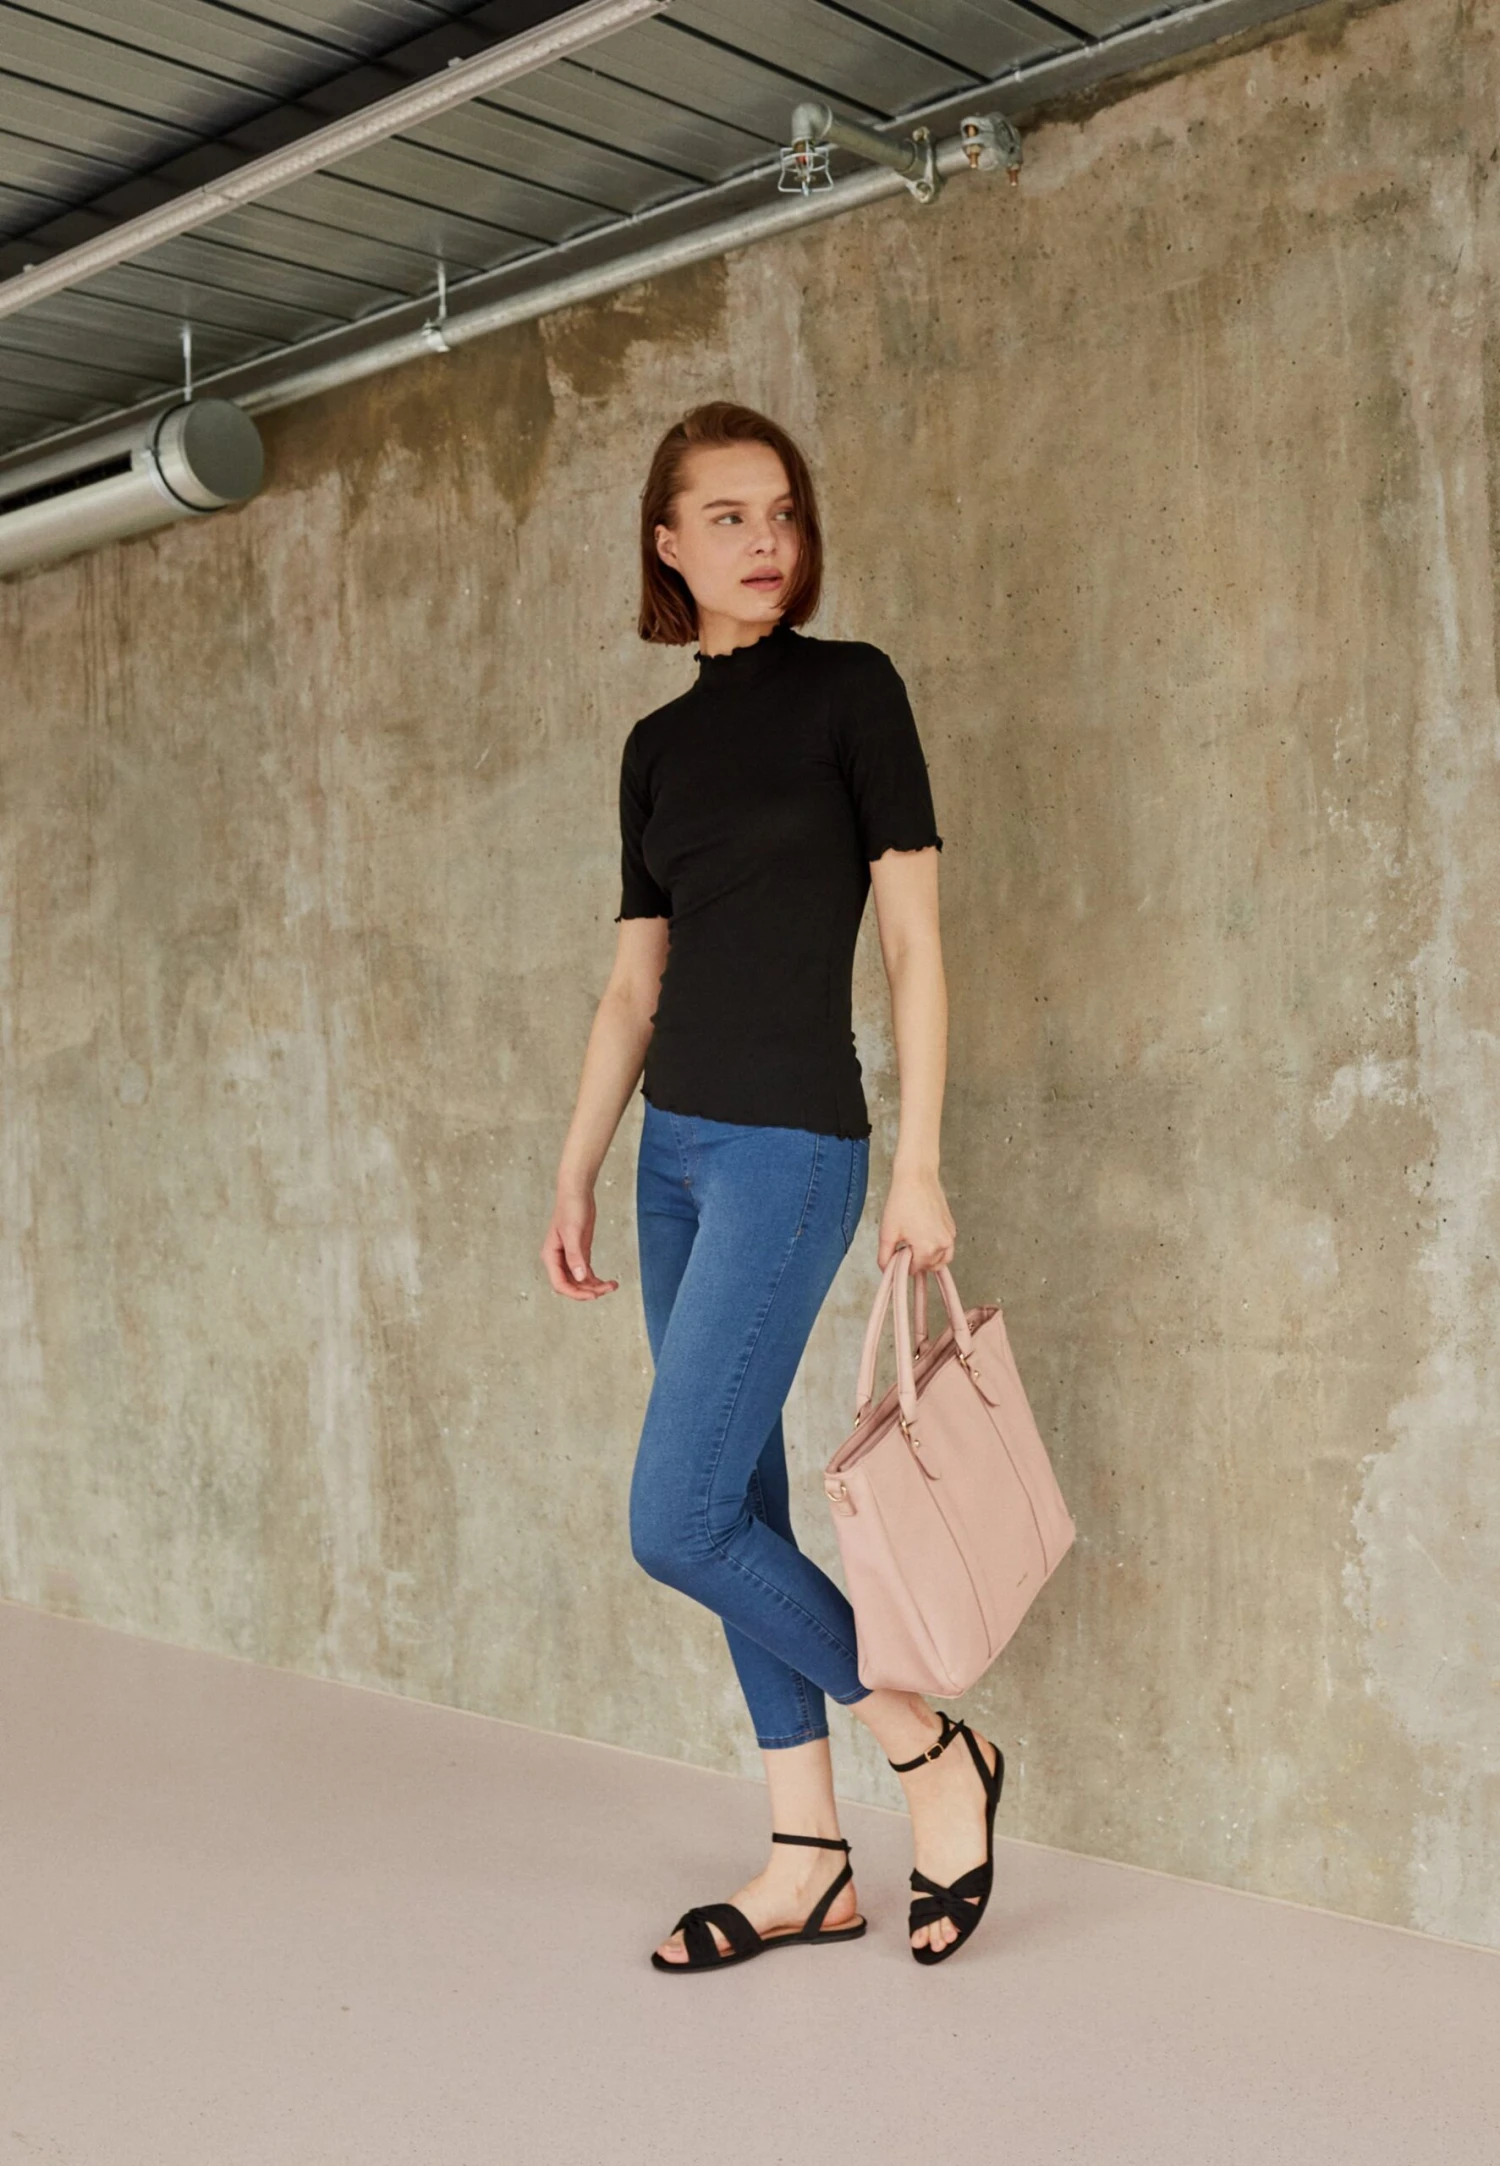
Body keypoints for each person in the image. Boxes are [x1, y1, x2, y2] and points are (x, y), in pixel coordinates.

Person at [540, 400, 1003, 1971]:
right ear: (666, 542)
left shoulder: (854, 693)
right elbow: (634, 986)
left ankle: (928, 1745)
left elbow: (916, 946)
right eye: (727, 515)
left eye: (782, 512)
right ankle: (808, 1853)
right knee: (733, 1500)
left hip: (794, 1150)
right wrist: (579, 1166)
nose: (763, 539)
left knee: (673, 1518)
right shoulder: (656, 750)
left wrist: (919, 1163)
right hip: (673, 1154)